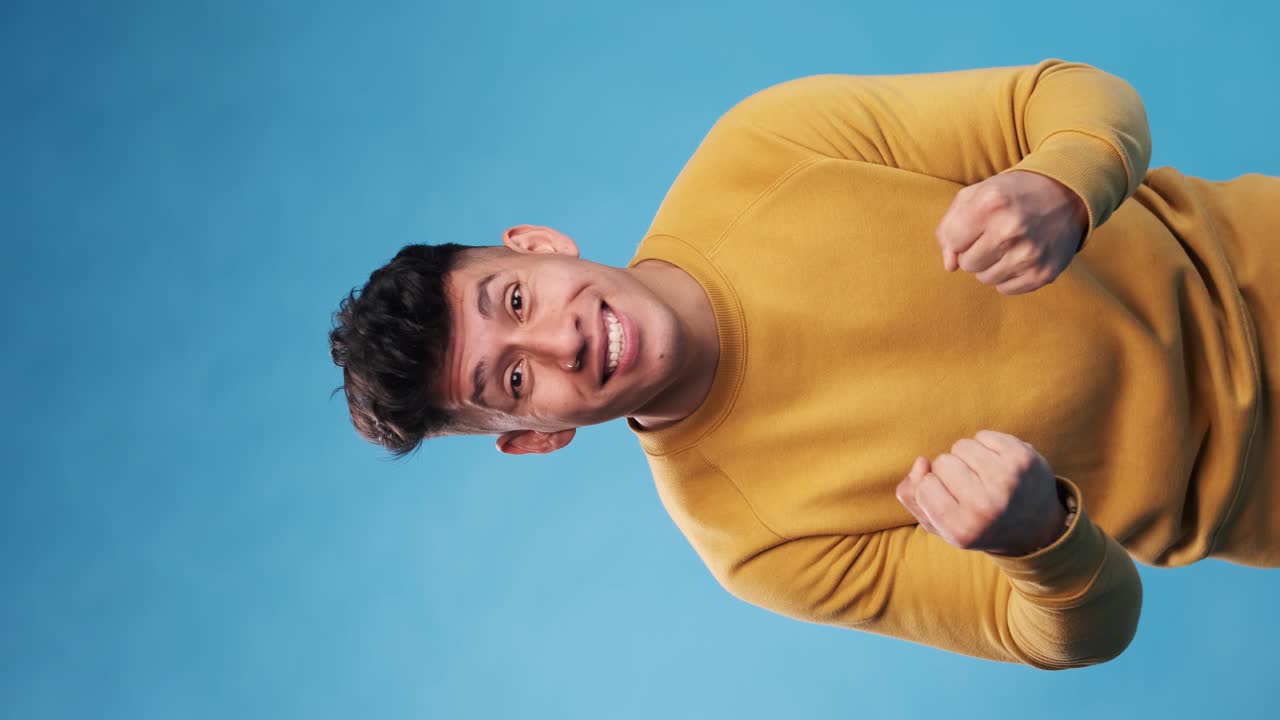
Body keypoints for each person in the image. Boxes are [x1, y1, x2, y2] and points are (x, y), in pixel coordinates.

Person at [329, 58, 1280, 669]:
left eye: (515, 302)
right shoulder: (757, 546)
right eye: (514, 381)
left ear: (536, 245)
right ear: (535, 439)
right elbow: (1087, 631)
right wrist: (1038, 543)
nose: (558, 342)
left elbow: (1071, 95)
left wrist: (1063, 179)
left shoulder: (765, 148)